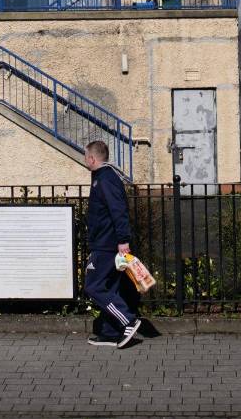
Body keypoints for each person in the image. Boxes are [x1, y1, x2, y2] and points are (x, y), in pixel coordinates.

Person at [83, 140, 142, 349]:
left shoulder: (106, 179)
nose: (85, 160)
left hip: (107, 245)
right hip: (107, 242)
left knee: (94, 286)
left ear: (92, 158)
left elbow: (118, 209)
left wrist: (122, 240)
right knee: (111, 287)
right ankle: (110, 332)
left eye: (85, 156)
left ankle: (128, 320)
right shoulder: (101, 177)